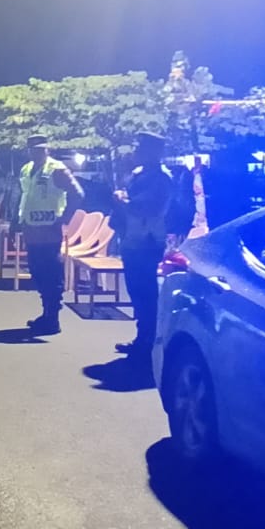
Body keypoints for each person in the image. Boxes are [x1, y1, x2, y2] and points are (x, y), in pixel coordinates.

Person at [113, 132, 173, 361]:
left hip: (147, 241)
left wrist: (122, 200)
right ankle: (142, 337)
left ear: (154, 152)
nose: (136, 152)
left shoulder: (161, 178)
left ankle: (149, 341)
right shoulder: (140, 174)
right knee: (136, 291)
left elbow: (149, 209)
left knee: (145, 293)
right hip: (133, 238)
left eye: (141, 148)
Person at [17, 134, 84, 335]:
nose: (36, 152)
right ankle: (46, 313)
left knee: (51, 274)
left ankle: (52, 317)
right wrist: (16, 222)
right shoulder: (27, 169)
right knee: (37, 273)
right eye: (33, 149)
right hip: (31, 231)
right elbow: (25, 196)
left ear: (48, 150)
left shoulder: (57, 169)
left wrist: (64, 218)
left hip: (49, 232)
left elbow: (77, 194)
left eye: (40, 149)